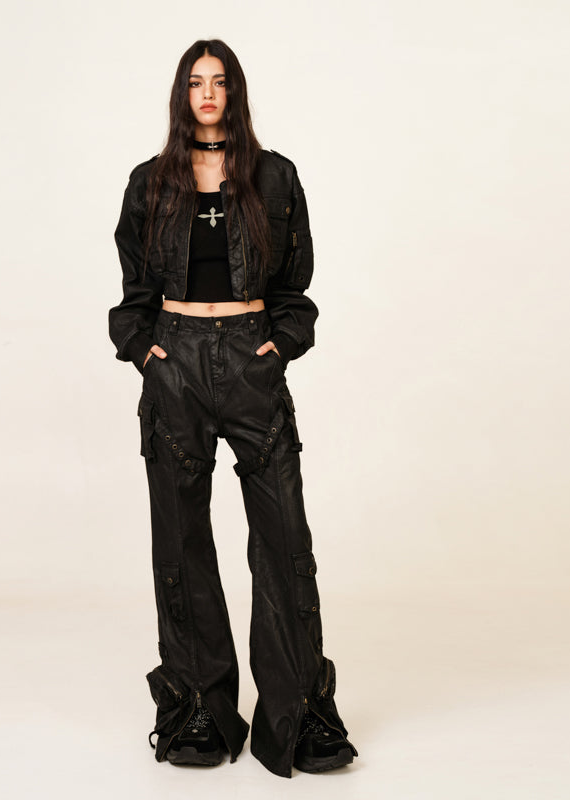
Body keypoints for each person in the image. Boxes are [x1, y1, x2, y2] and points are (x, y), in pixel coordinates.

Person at [108, 39, 358, 778]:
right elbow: (134, 294)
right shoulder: (150, 182)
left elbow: (293, 286)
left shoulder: (274, 177)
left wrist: (278, 347)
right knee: (181, 542)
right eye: (196, 82)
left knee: (283, 539)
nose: (208, 93)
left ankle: (299, 711)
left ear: (236, 91)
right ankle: (198, 707)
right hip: (176, 361)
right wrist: (148, 354)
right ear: (182, 94)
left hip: (252, 361)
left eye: (219, 81)